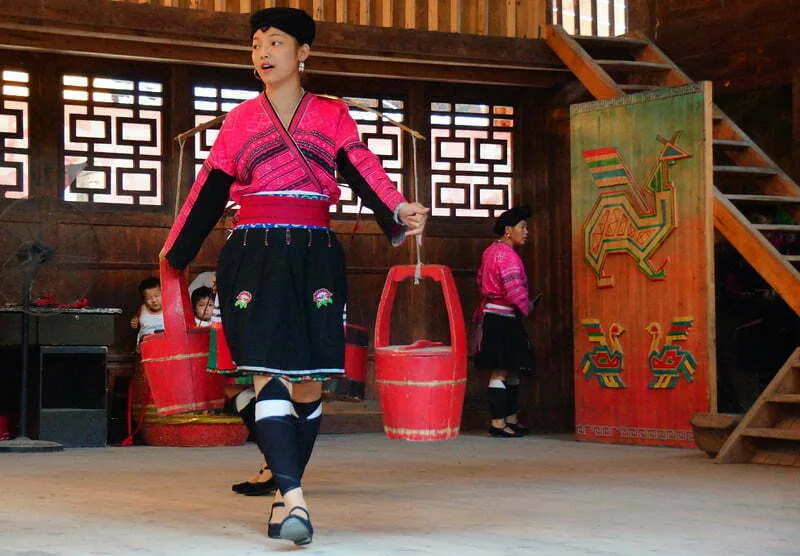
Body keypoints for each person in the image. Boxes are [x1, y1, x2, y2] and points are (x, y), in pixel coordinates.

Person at [160, 7, 429, 546]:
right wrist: (175, 251)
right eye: (257, 43)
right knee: (266, 371)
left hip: (315, 253)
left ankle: (286, 496)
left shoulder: (332, 115)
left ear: (303, 53)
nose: (263, 52)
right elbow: (209, 190)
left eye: (276, 42)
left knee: (308, 381)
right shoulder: (238, 120)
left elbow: (363, 168)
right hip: (253, 252)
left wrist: (398, 208)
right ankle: (297, 500)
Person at [474, 205, 538, 438]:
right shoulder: (507, 255)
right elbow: (514, 291)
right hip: (502, 319)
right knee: (501, 371)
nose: (526, 231)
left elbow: (480, 280)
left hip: (494, 316)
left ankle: (510, 419)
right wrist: (527, 306)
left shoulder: (490, 251)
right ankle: (498, 423)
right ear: (508, 230)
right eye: (523, 227)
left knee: (510, 370)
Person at [130, 277, 164, 346]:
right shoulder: (143, 309)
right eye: (148, 298)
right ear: (144, 300)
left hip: (164, 343)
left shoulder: (169, 309)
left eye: (157, 296)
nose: (154, 300)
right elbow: (136, 317)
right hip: (145, 344)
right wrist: (134, 320)